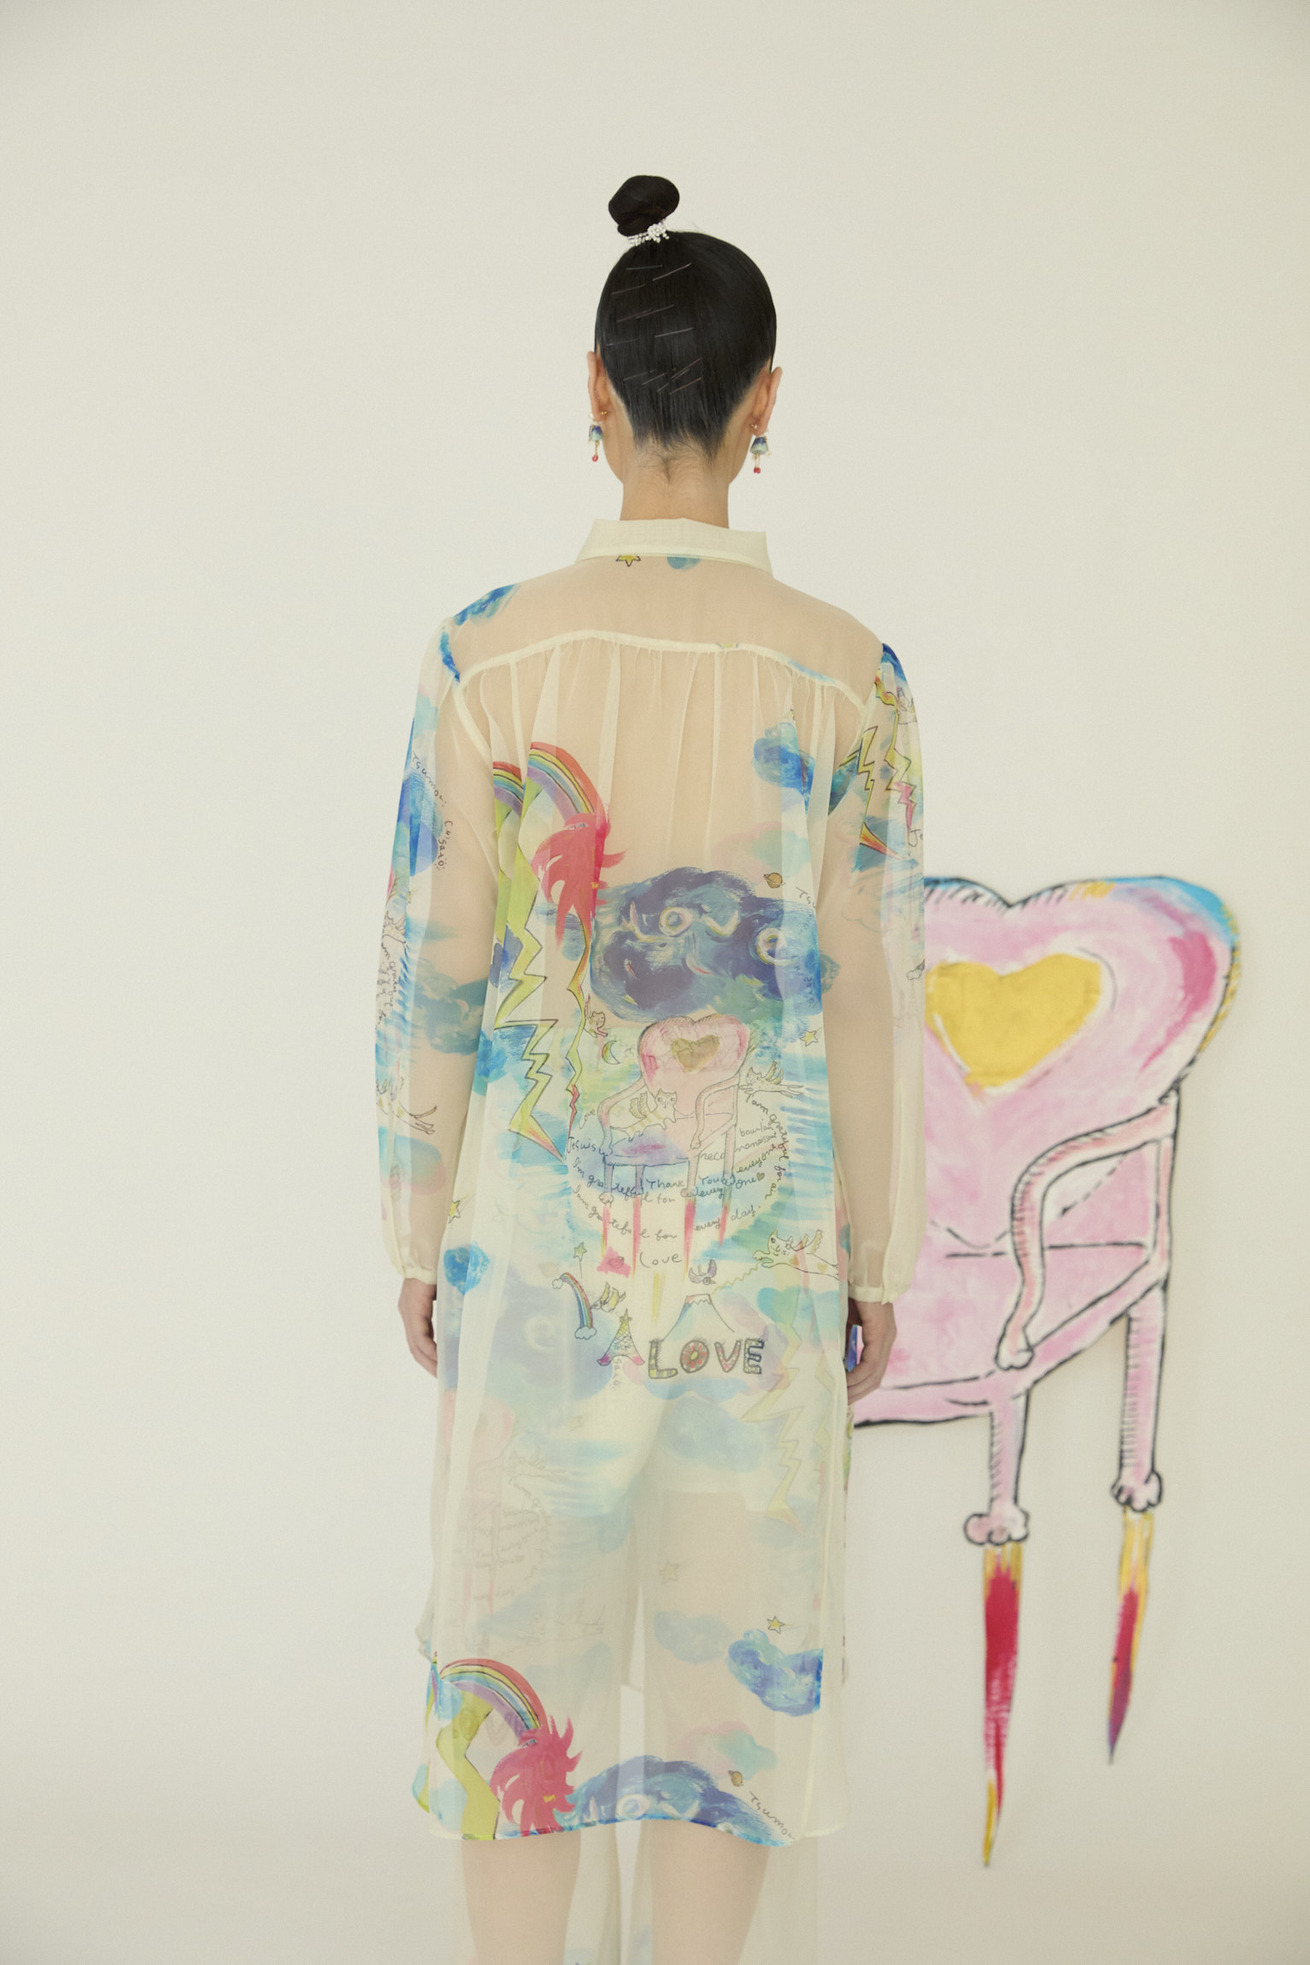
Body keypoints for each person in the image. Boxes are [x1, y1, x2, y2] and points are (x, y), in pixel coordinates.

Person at [375, 174, 926, 1965]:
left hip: (536, 1245)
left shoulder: (486, 654)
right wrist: (872, 1255)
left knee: (516, 1646)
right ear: (766, 400)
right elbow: (869, 989)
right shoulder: (848, 673)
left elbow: (432, 967)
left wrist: (414, 1220)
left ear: (596, 394)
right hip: (759, 1262)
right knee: (727, 1666)